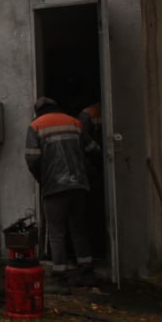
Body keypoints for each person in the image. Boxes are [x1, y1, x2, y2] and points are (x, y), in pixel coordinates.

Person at [25, 96, 100, 292]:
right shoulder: (74, 122)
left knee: (57, 232)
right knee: (79, 229)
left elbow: (32, 159)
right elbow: (92, 149)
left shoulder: (36, 126)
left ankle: (61, 277)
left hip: (55, 187)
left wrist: (43, 179)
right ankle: (87, 272)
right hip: (79, 185)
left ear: (38, 111)